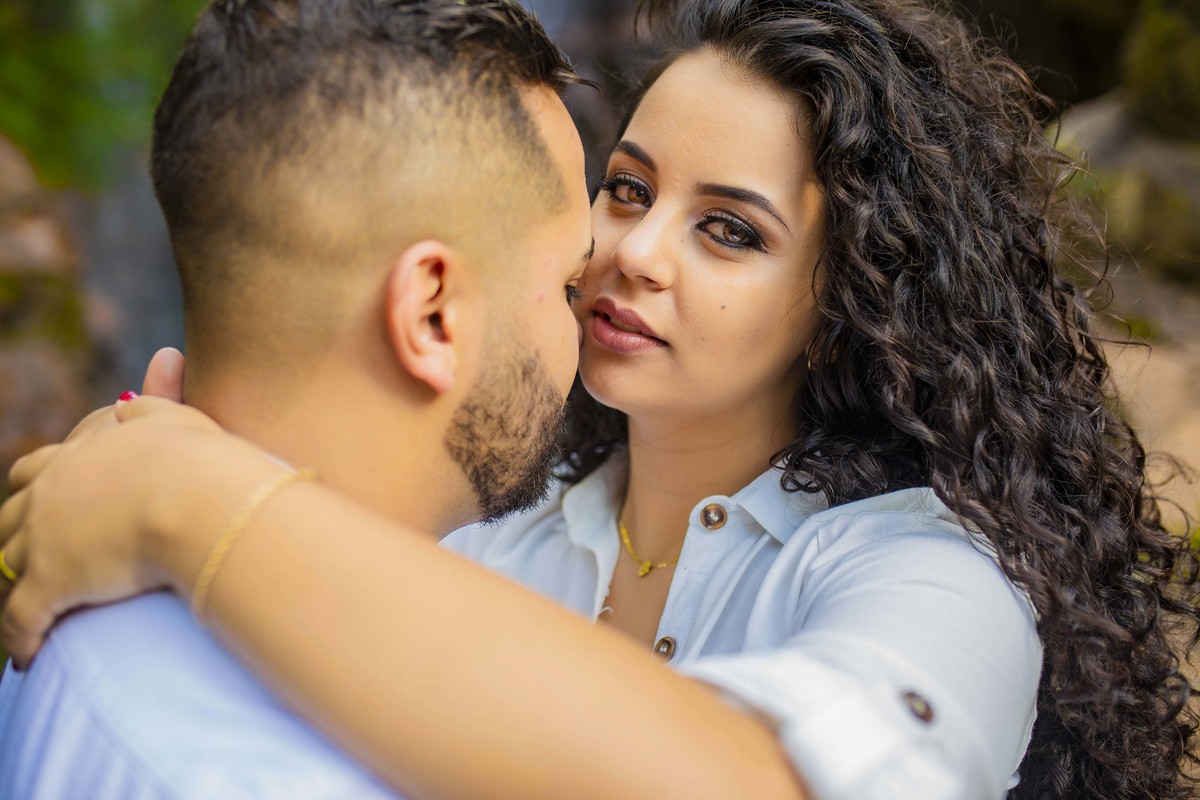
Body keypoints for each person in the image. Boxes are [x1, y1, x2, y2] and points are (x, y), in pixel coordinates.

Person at [3, 0, 1198, 798]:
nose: (630, 252)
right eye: (626, 188)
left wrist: (194, 495)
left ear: (852, 298)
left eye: (729, 229)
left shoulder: (933, 574)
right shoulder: (485, 513)